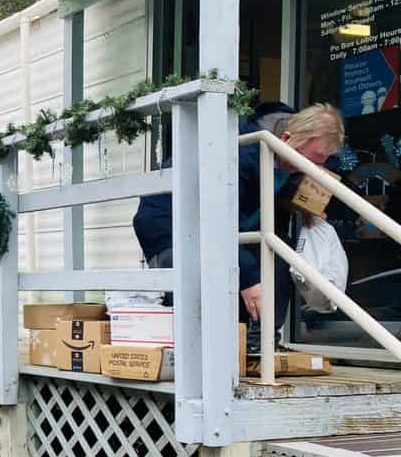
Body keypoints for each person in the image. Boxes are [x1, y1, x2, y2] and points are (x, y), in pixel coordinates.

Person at [133, 102, 345, 347]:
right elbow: (216, 223)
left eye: (323, 161)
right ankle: (200, 351)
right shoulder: (239, 153)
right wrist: (248, 280)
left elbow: (265, 201)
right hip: (173, 227)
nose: (315, 168)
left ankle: (260, 344)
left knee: (278, 252)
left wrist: (302, 204)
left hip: (230, 230)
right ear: (286, 139)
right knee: (205, 290)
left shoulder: (285, 155)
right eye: (312, 160)